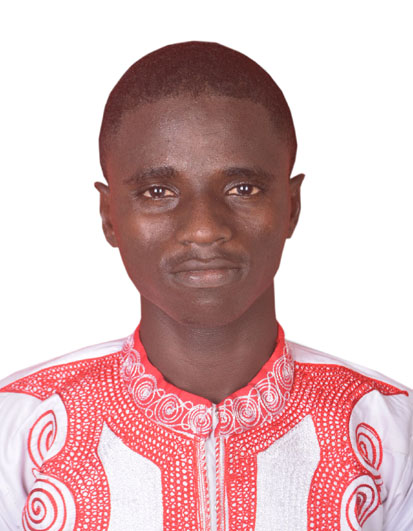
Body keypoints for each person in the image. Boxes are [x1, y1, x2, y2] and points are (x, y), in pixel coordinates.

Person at [0, 41, 411, 531]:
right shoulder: (19, 426)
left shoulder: (390, 429)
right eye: (158, 192)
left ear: (292, 207)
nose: (203, 229)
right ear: (109, 216)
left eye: (243, 189)